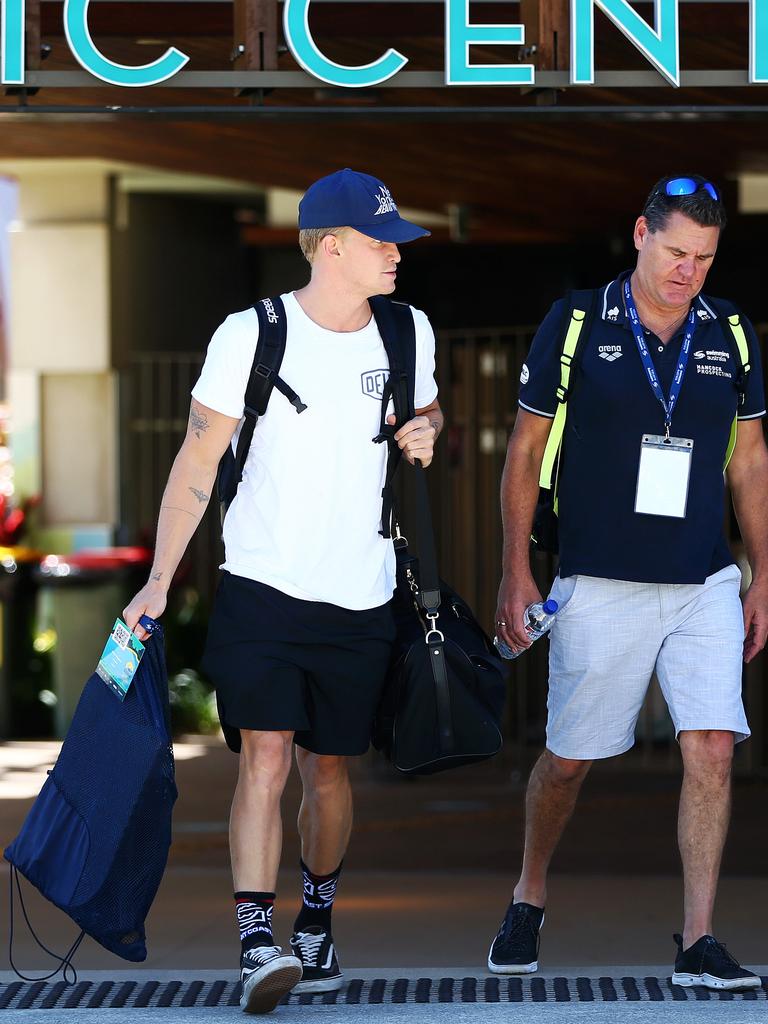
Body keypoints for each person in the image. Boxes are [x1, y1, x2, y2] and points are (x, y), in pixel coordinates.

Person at [124, 168, 443, 1014]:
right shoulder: (252, 334)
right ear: (330, 247)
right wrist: (158, 580)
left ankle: (318, 922)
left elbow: (432, 414)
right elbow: (197, 461)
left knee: (328, 768)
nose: (397, 255)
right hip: (262, 585)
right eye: (382, 242)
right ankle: (257, 940)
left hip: (364, 590)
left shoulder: (409, 333)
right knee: (264, 759)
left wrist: (427, 429)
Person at [489, 175, 767, 990]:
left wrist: (761, 574)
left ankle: (698, 939)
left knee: (712, 745)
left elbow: (750, 462)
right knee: (570, 762)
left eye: (705, 259)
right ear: (640, 234)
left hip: (703, 580)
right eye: (677, 251)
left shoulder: (732, 333)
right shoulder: (577, 321)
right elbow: (524, 450)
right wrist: (514, 569)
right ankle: (530, 891)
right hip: (598, 580)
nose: (689, 271)